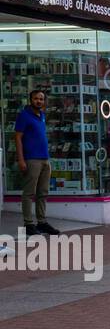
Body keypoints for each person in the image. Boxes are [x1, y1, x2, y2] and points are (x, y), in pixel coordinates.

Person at [14, 89, 59, 236]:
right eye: (36, 98)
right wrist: (21, 159)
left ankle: (42, 222)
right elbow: (18, 138)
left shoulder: (42, 115)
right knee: (29, 193)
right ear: (30, 99)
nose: (39, 101)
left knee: (43, 193)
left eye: (41, 99)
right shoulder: (24, 115)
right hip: (31, 159)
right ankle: (28, 224)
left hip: (45, 159)